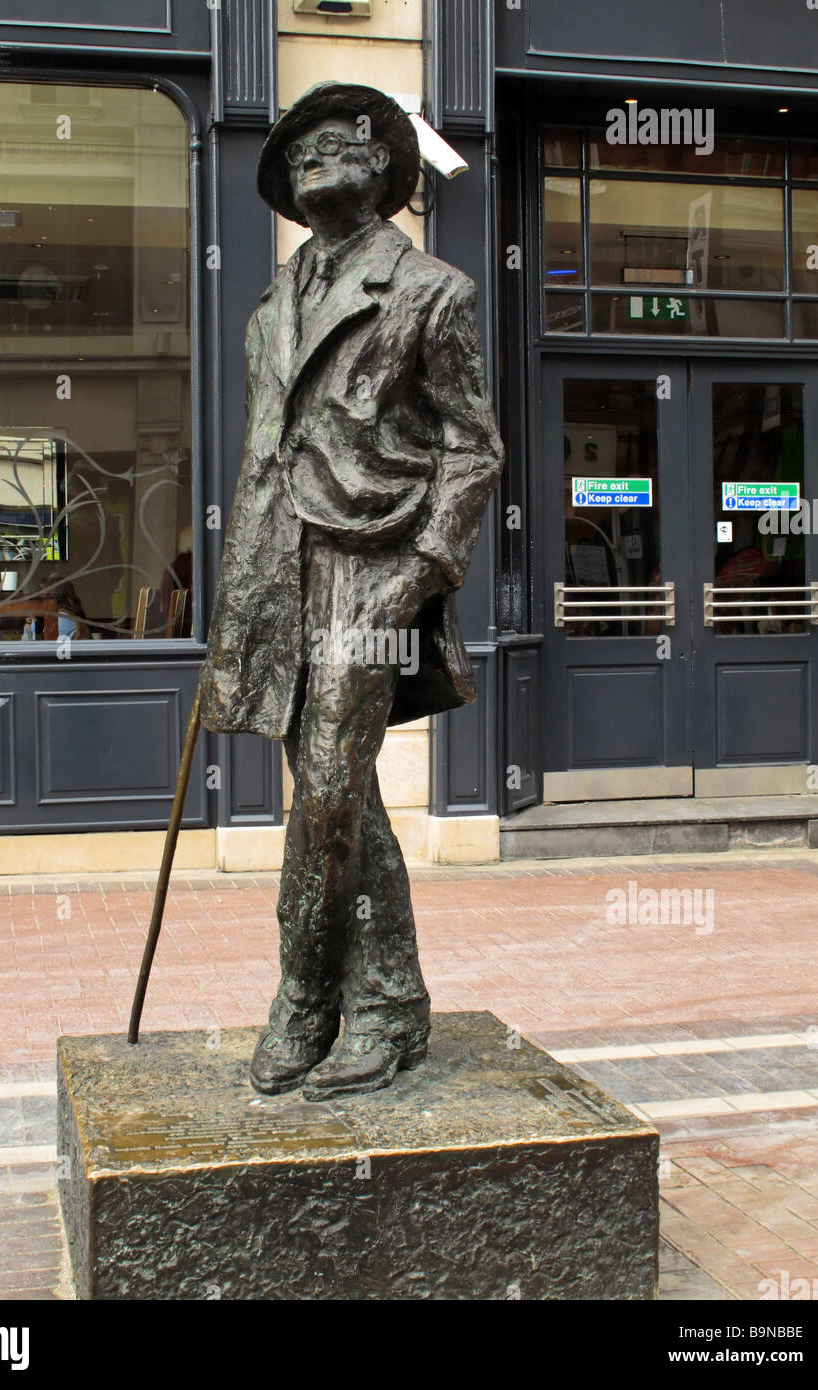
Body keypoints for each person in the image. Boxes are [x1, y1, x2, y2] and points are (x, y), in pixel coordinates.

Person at [199, 82, 504, 1100]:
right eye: (296, 153)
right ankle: (389, 1002)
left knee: (327, 790)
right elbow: (260, 460)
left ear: (383, 168)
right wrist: (237, 595)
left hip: (372, 569)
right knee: (345, 797)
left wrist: (421, 574)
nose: (309, 159)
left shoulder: (430, 293)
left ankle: (306, 995)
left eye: (334, 144)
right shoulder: (265, 314)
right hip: (280, 574)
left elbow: (474, 453)